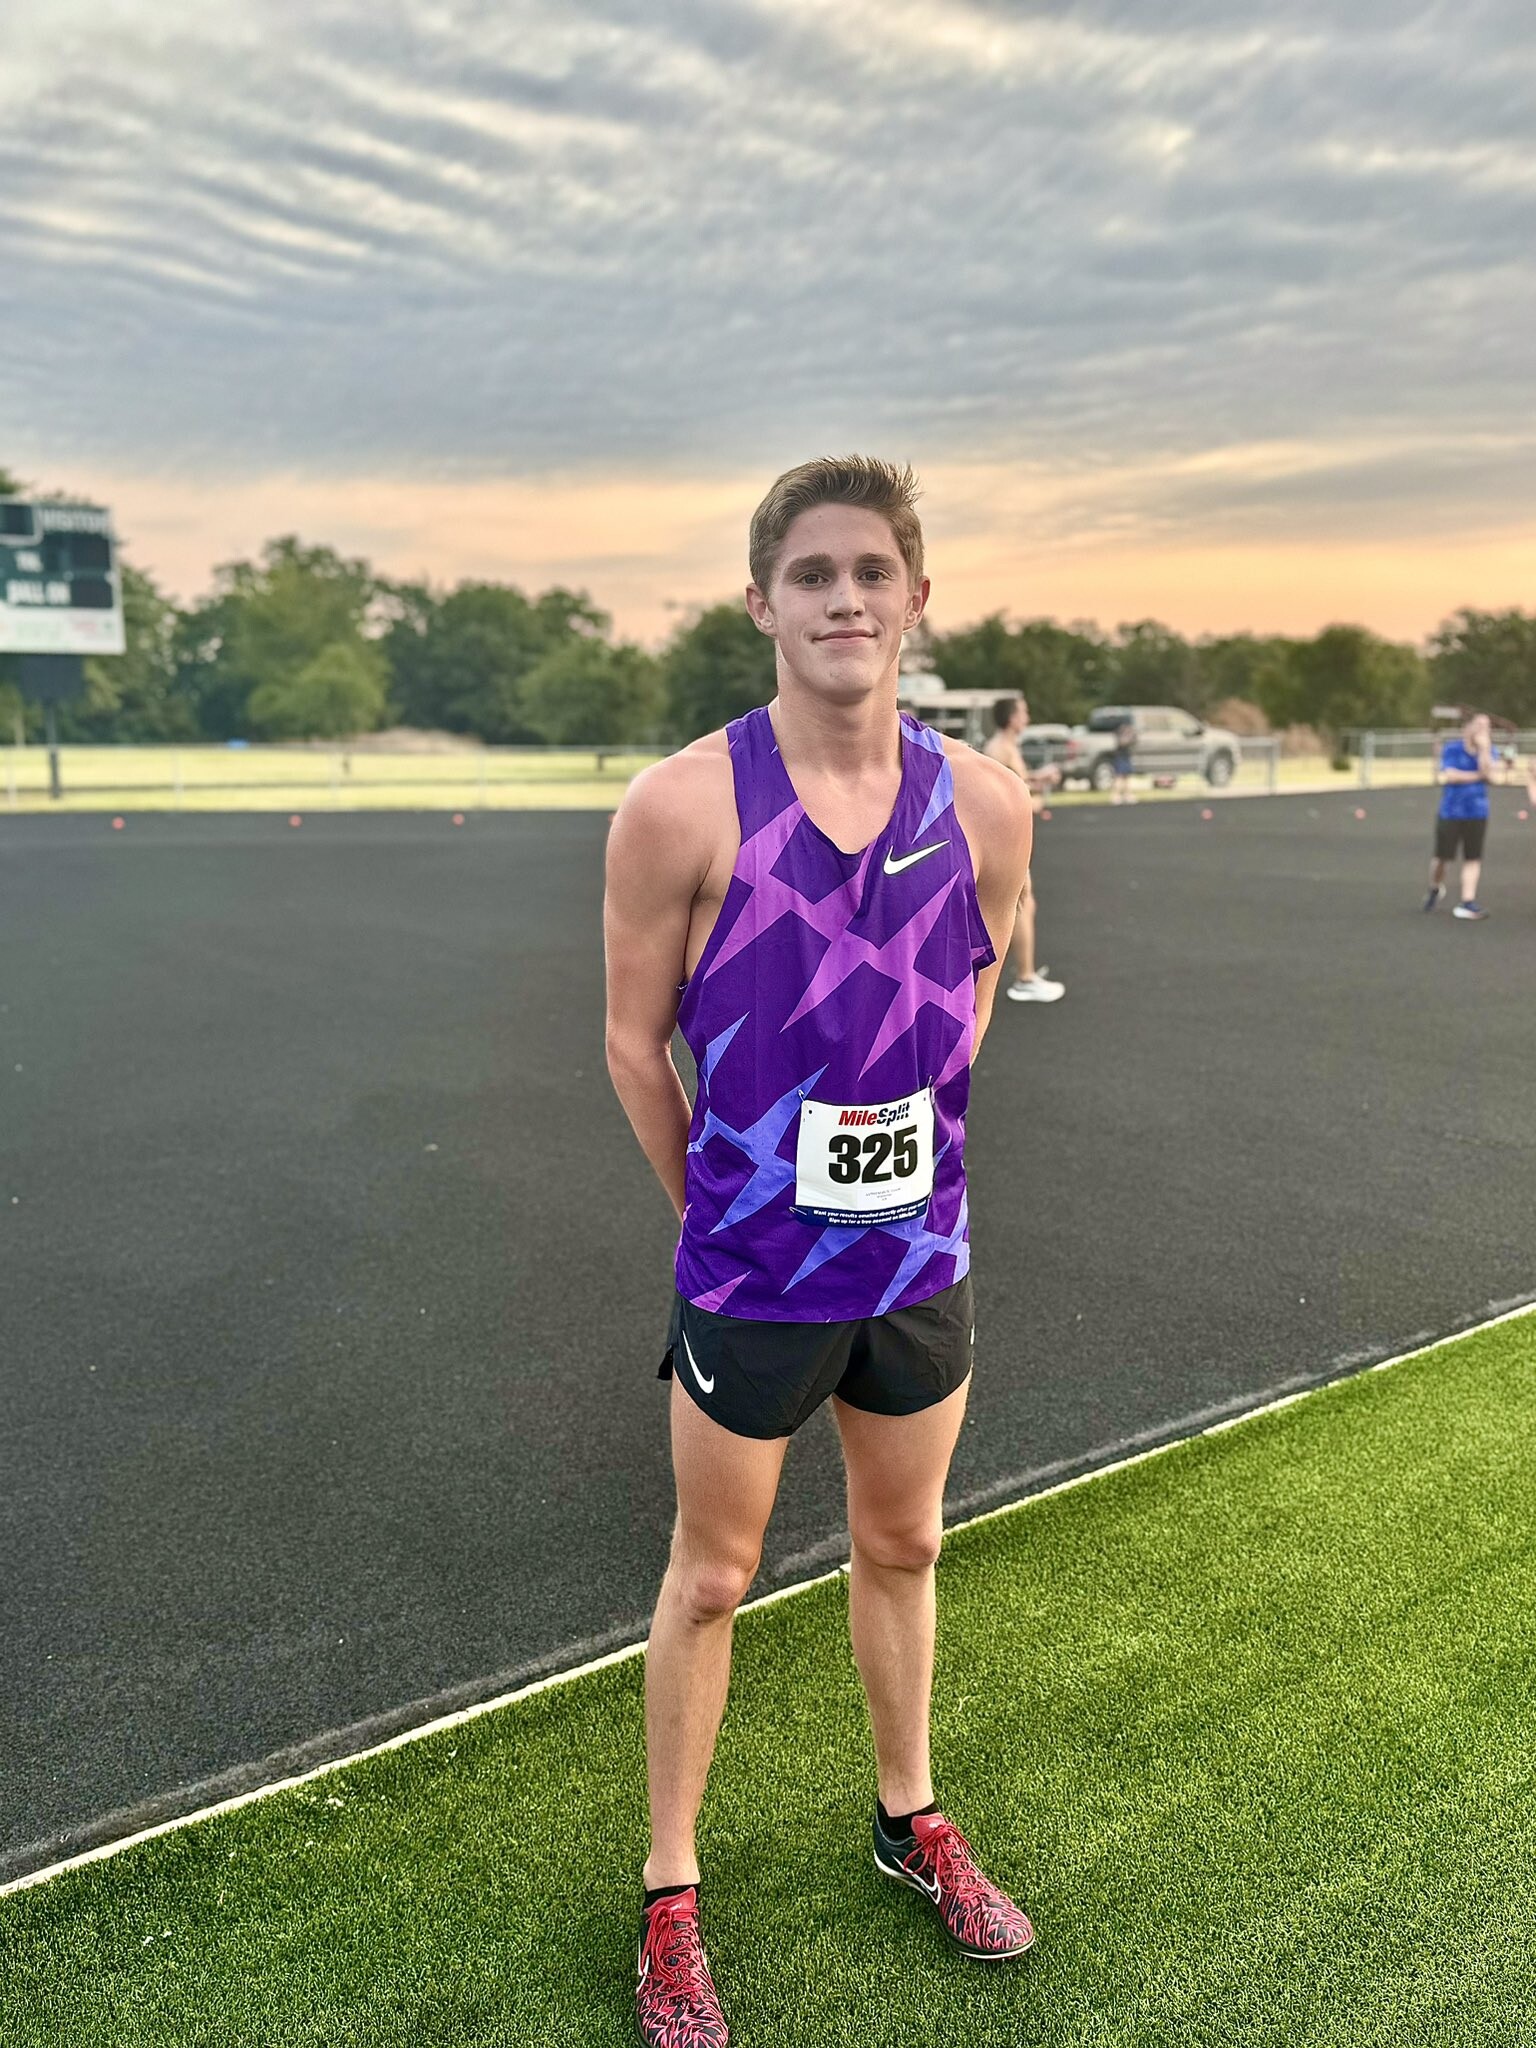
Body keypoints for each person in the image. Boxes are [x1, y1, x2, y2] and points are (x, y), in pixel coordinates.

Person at [605, 457, 1037, 2048]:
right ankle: (669, 1890)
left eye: (870, 571)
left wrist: (909, 1148)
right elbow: (633, 1043)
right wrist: (714, 1210)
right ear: (762, 603)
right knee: (713, 1576)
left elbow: (974, 990)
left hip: (919, 1264)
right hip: (750, 1273)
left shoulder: (984, 801)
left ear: (917, 596)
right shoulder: (683, 805)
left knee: (906, 1544)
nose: (843, 598)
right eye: (811, 574)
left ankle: (906, 1814)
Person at [982, 695, 1065, 1003]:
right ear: (1012, 717)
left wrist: (1038, 780)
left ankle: (1022, 974)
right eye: (1024, 711)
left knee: (1023, 904)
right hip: (1003, 839)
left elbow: (1017, 782)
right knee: (1021, 905)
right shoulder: (998, 748)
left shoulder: (1008, 746)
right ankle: (1024, 979)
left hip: (1012, 837)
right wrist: (1033, 797)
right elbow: (996, 794)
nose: (1027, 716)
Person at [1427, 711, 1502, 920]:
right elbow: (1450, 775)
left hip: (1477, 811)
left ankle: (1467, 901)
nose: (1483, 730)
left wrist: (1484, 750)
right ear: (1467, 727)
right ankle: (1435, 886)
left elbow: (1491, 775)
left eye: (1487, 726)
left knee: (1473, 857)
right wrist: (1478, 776)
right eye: (1479, 725)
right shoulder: (1452, 749)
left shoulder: (1489, 751)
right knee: (1442, 858)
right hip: (1451, 811)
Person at [1110, 717, 1136, 804]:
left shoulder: (1127, 733)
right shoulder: (1120, 733)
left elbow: (1133, 741)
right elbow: (1122, 743)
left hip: (1126, 756)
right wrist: (1128, 738)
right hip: (1120, 757)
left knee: (1126, 777)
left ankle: (1127, 795)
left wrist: (1131, 737)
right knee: (1119, 777)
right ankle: (1115, 796)